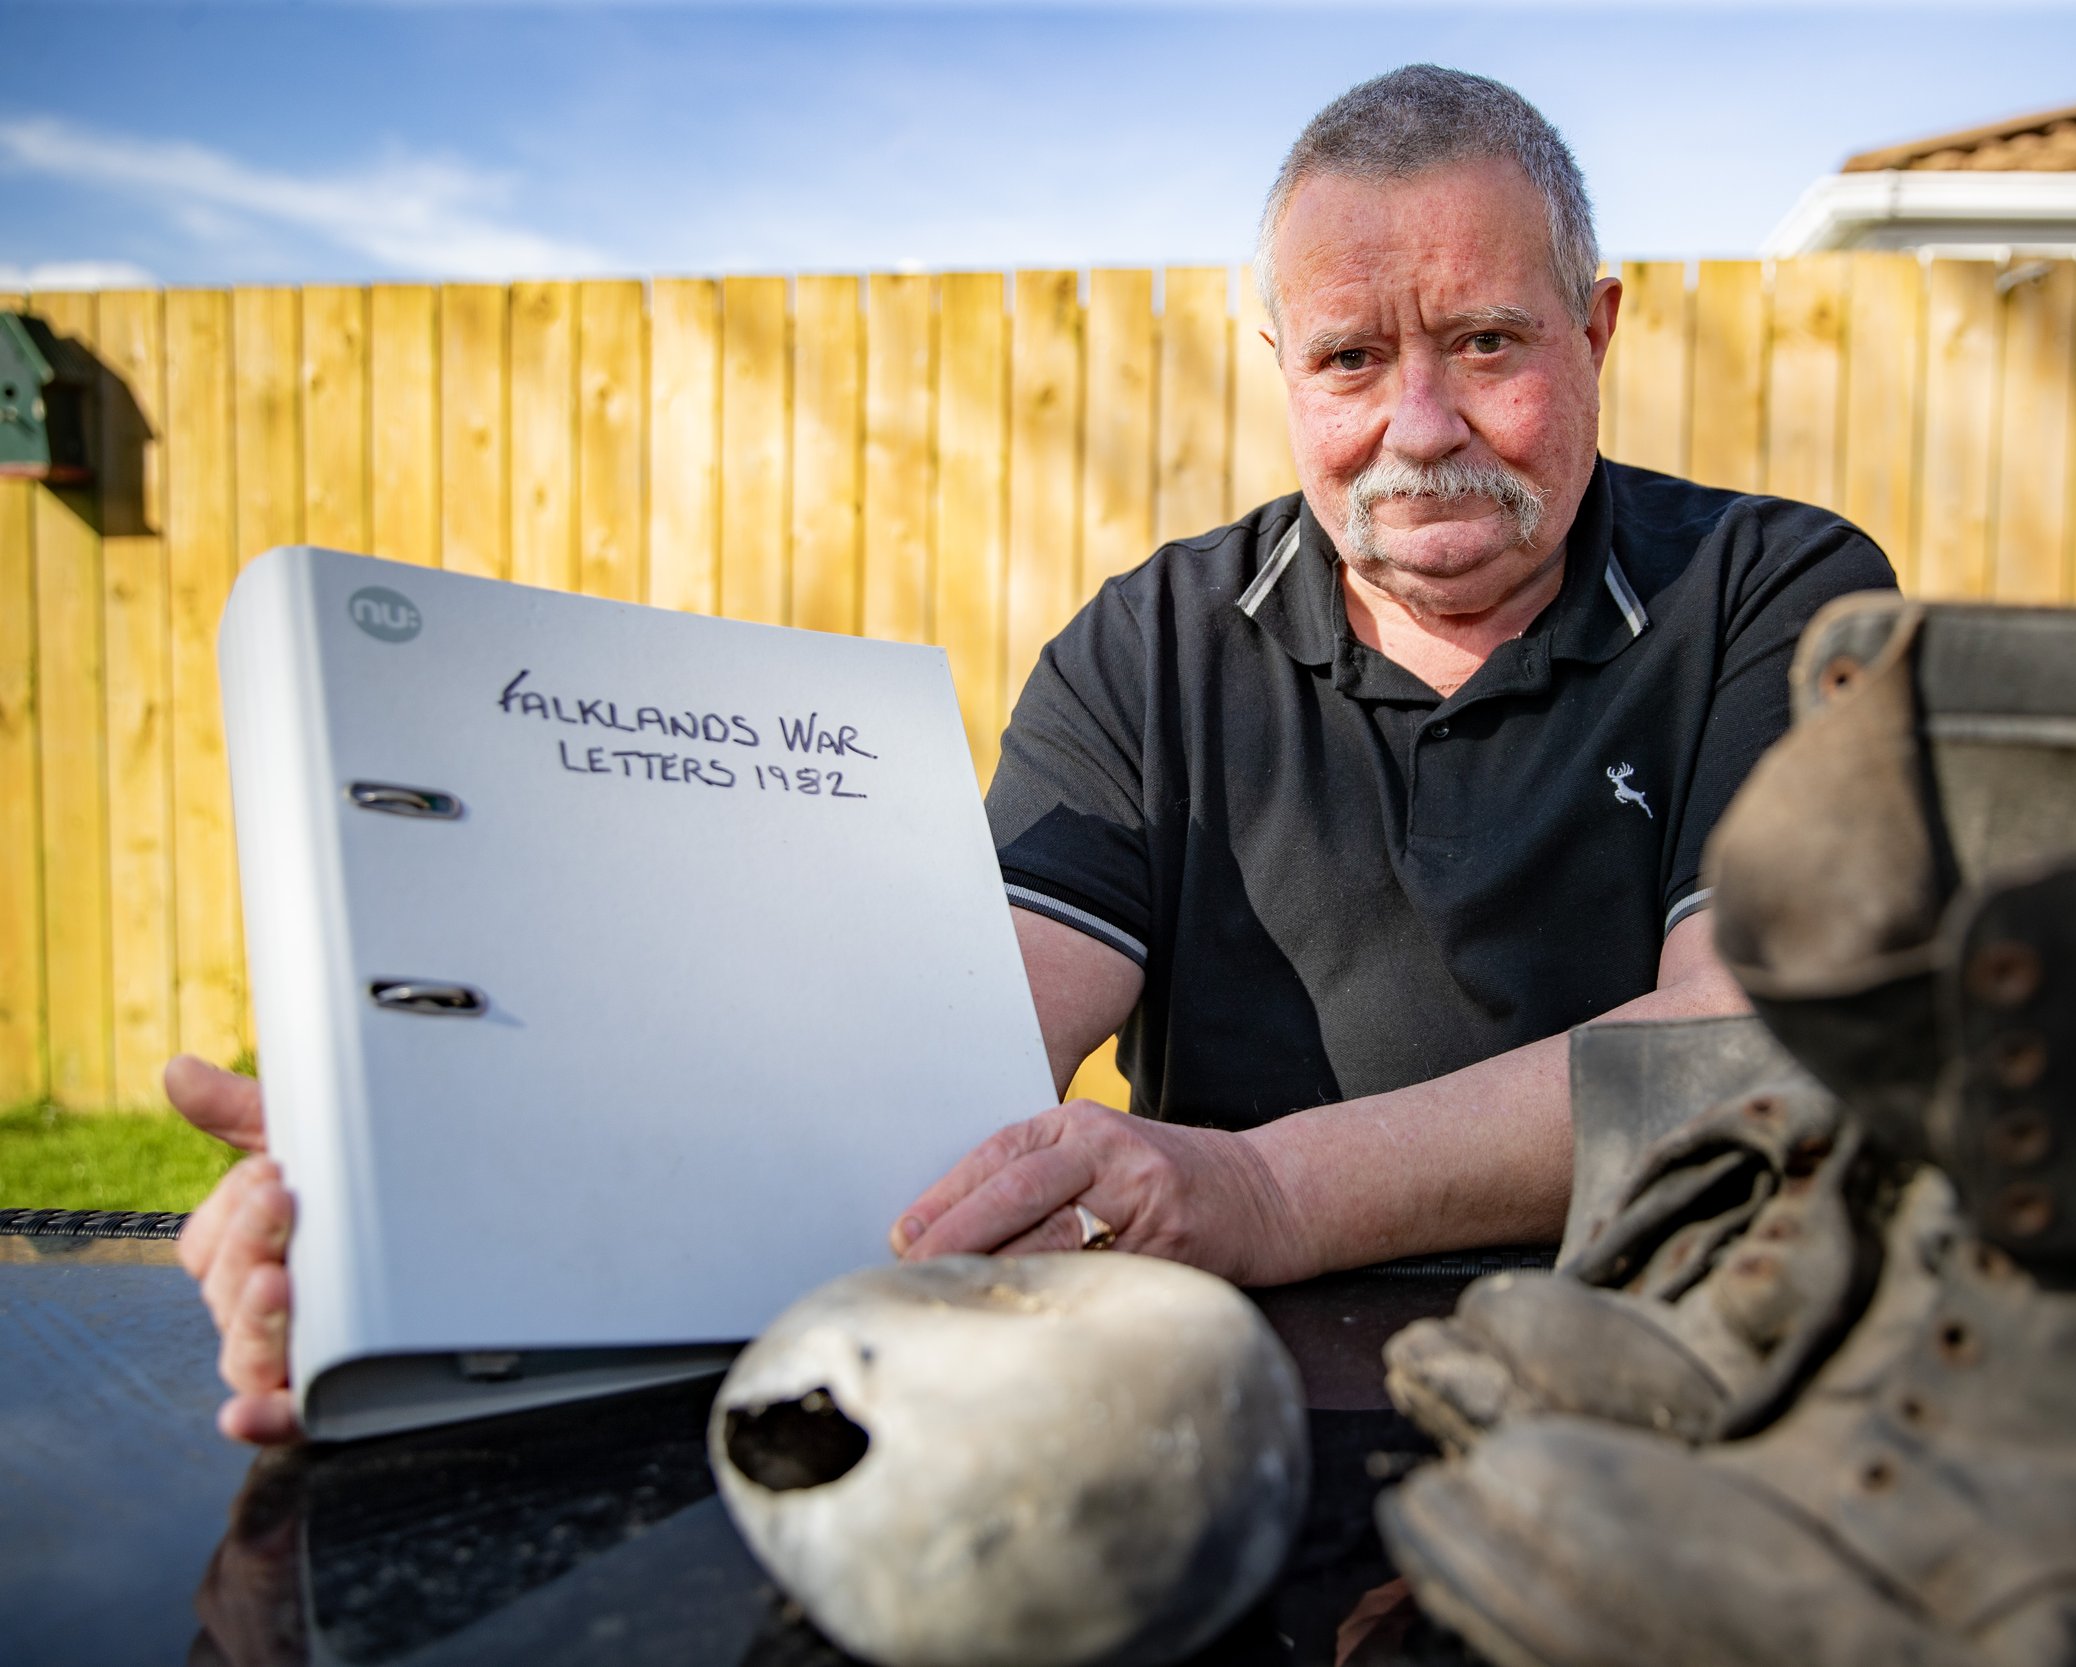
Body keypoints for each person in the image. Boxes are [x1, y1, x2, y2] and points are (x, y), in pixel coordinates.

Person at [170, 64, 1895, 1443]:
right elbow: (946, 1051)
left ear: (1594, 331)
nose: (1418, 427)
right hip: (1210, 1436)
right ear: (1281, 366)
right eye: (1354, 359)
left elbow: (1742, 1035)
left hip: (1664, 1416)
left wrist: (1264, 1187)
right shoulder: (1148, 645)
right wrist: (439, 1195)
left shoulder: (1778, 594)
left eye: (1490, 345)